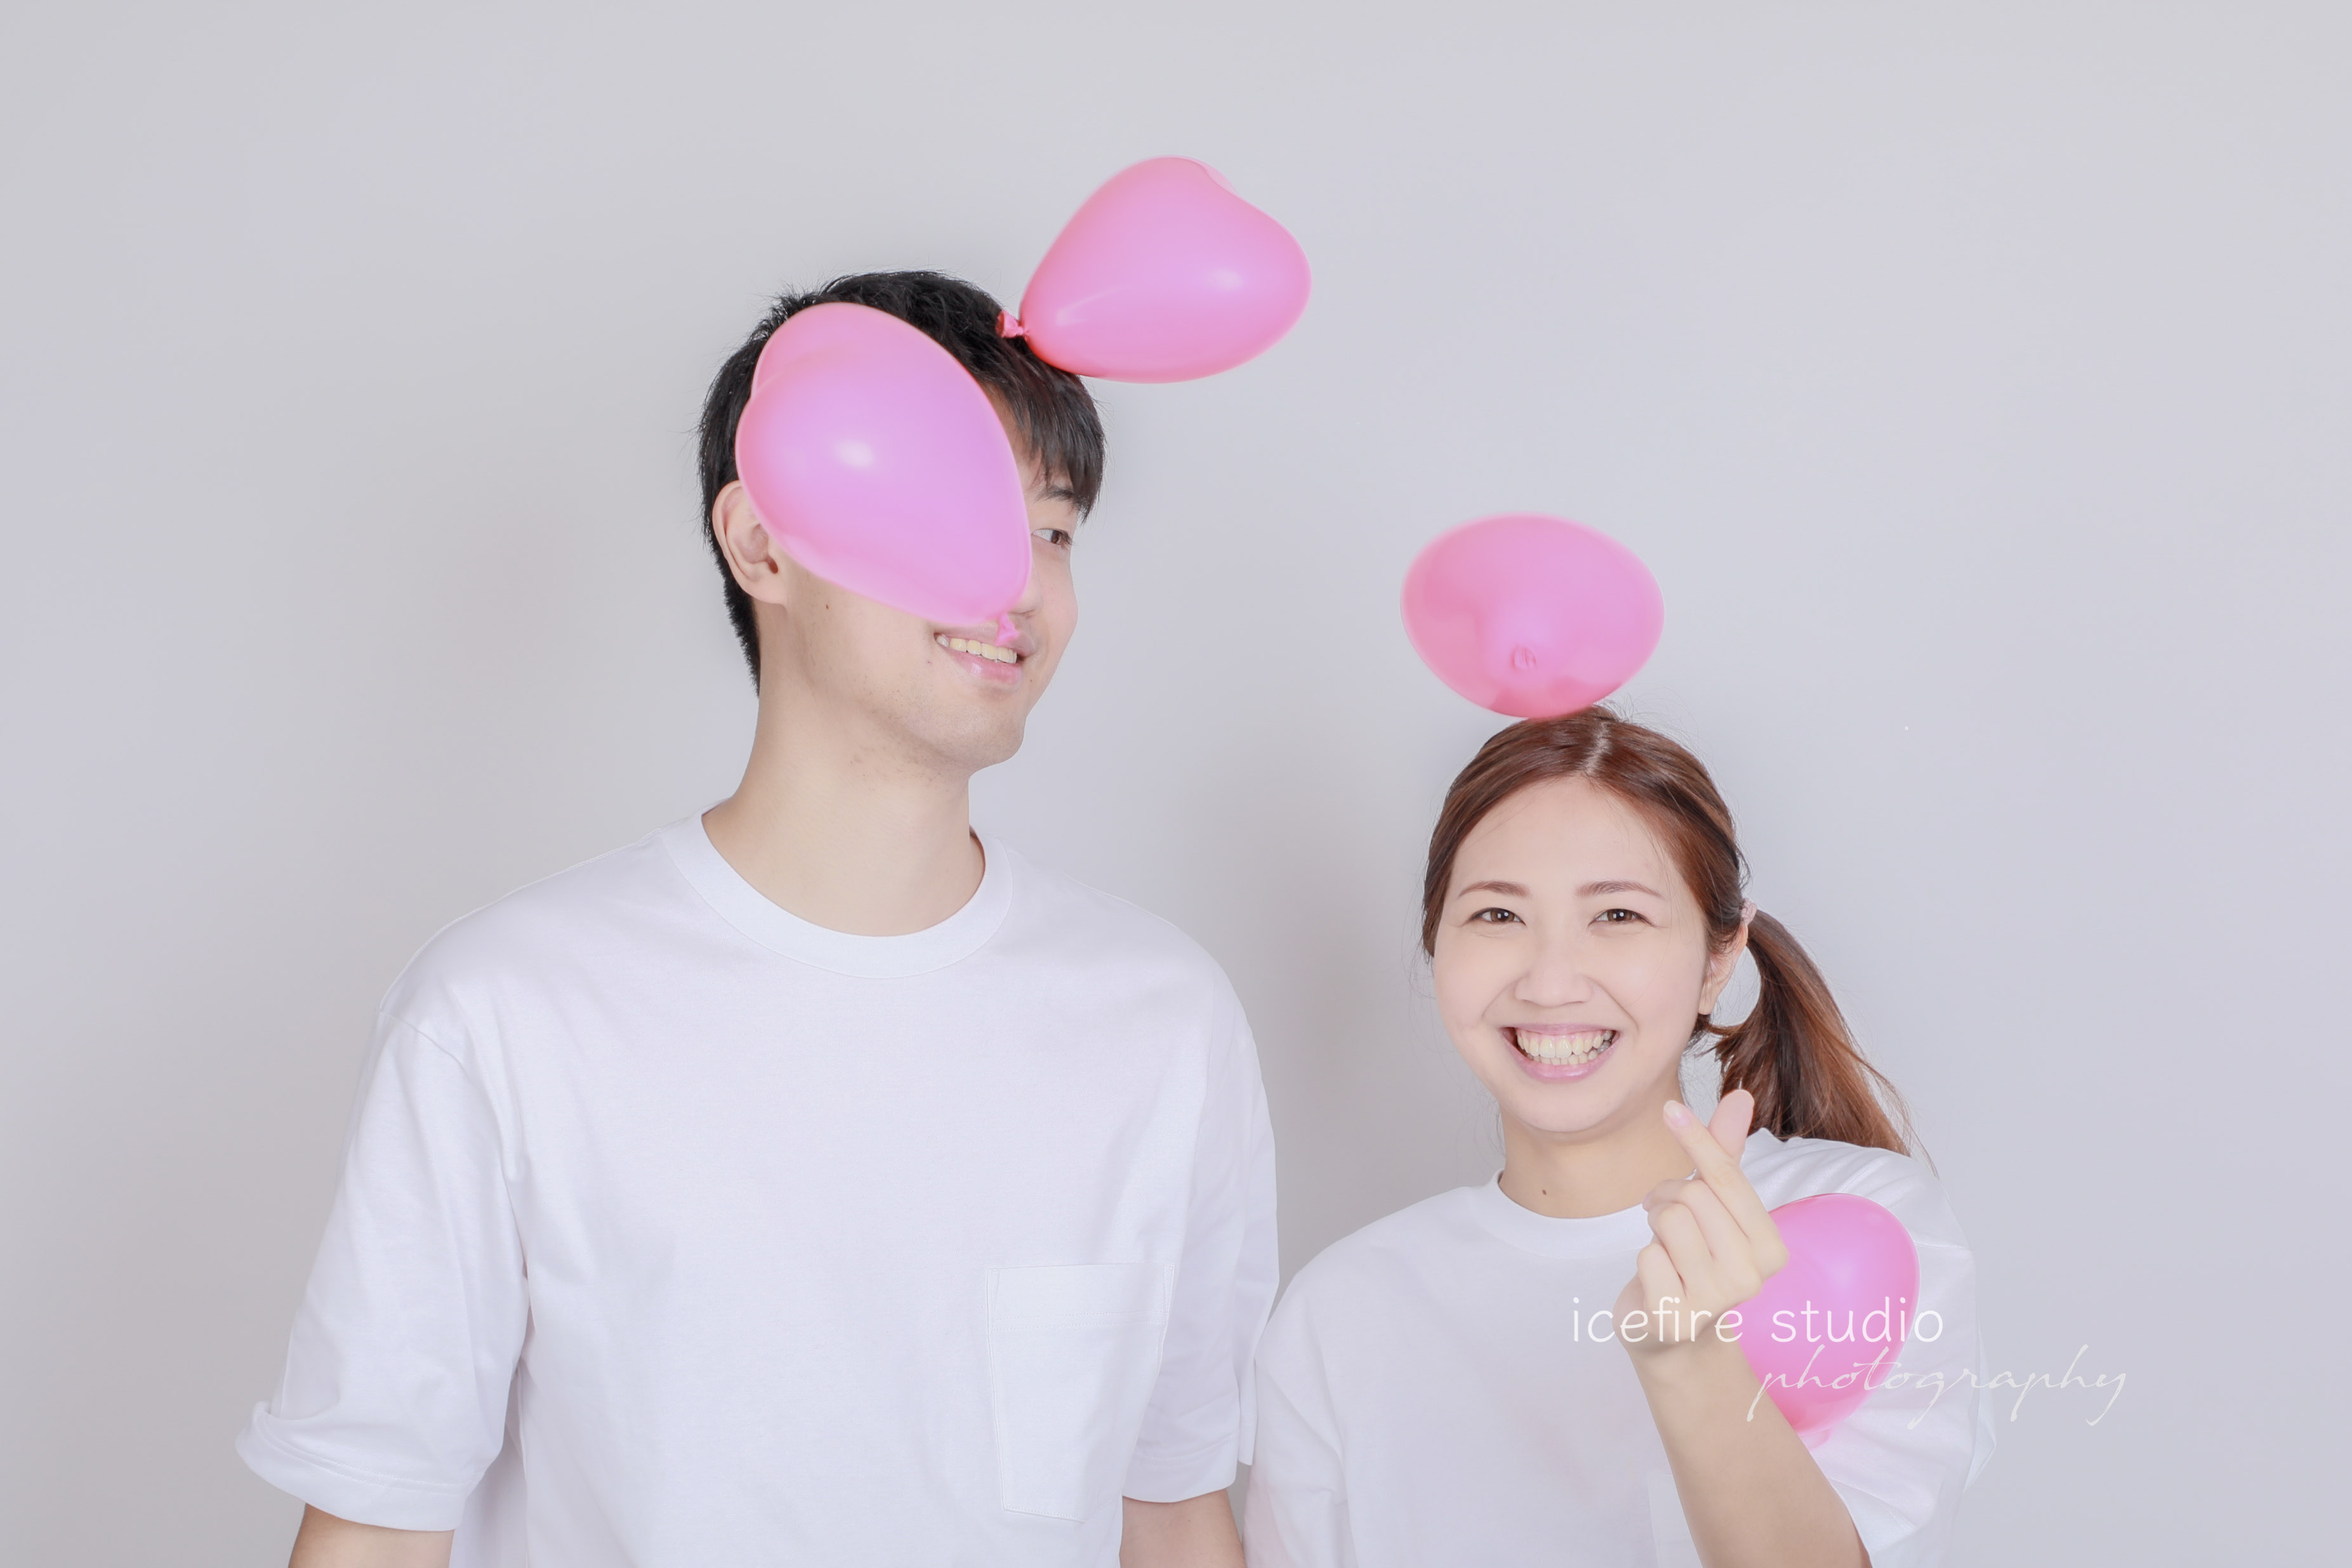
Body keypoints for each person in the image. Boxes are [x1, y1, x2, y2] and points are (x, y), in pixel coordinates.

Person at [238, 272, 1278, 1567]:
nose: (1014, 580)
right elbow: (377, 1526)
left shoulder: (1161, 1022)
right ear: (760, 544)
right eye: (945, 510)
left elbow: (1172, 1514)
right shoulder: (506, 1015)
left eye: (1053, 530)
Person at [1242, 708, 1993, 1568]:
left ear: (1719, 958)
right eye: (1497, 915)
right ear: (1434, 944)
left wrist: (1689, 1357)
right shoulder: (1338, 1311)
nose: (1550, 982)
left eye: (1617, 916)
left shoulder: (1855, 1230)